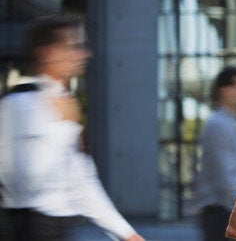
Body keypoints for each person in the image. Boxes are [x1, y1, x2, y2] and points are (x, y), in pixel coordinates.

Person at [0, 15, 144, 241]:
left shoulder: (67, 103)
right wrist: (63, 129)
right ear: (49, 53)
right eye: (75, 47)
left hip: (56, 230)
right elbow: (24, 182)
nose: (85, 54)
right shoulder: (18, 105)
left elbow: (82, 180)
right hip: (26, 228)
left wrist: (126, 233)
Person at [192, 66, 236, 241]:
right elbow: (226, 177)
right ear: (225, 91)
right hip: (222, 216)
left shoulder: (231, 123)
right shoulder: (219, 125)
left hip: (226, 214)